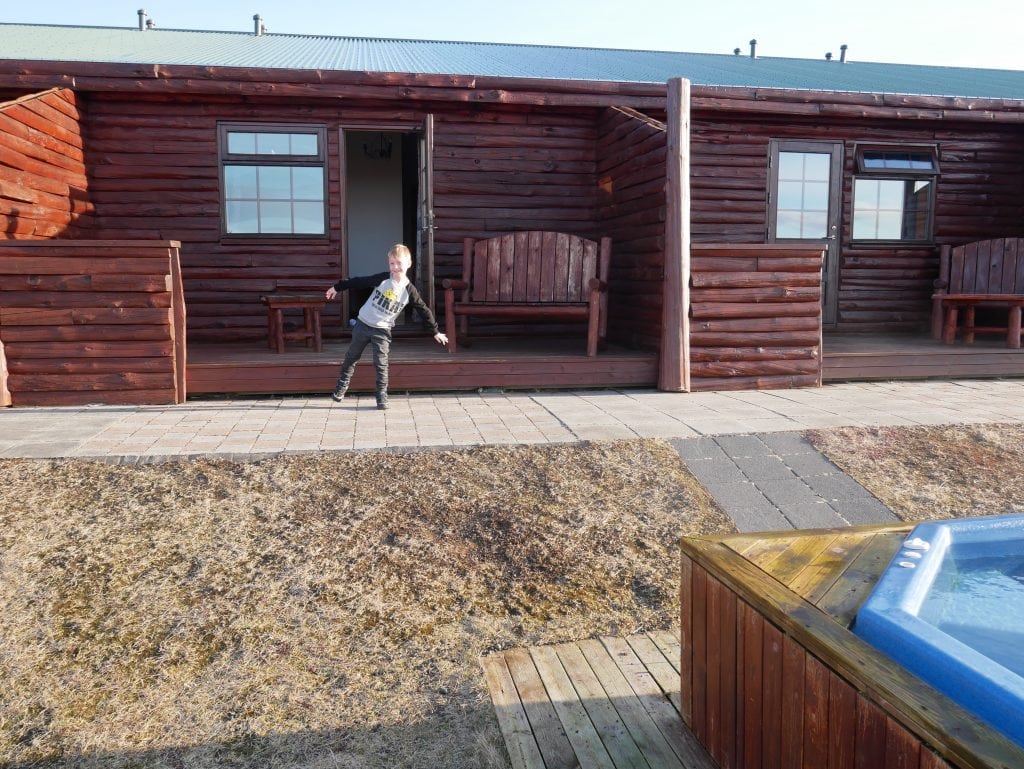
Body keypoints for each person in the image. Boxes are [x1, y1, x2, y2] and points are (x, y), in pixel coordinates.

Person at [325, 244, 447, 409]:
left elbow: (423, 309)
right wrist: (337, 287)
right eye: (392, 263)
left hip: (382, 330)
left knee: (381, 364)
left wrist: (435, 331)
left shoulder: (410, 290)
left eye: (399, 263)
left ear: (409, 263)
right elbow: (359, 282)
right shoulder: (383, 279)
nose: (395, 267)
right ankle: (342, 384)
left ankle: (381, 395)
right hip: (363, 324)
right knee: (351, 357)